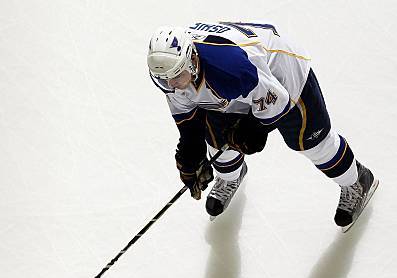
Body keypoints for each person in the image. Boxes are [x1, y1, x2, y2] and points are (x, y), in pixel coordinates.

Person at [147, 21, 378, 228]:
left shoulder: (230, 70)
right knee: (217, 140)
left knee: (313, 144)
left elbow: (277, 100)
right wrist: (190, 157)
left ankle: (357, 180)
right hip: (237, 85)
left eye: (176, 77)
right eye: (163, 79)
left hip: (283, 75)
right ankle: (230, 178)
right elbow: (188, 121)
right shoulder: (171, 72)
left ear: (192, 60)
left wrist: (254, 129)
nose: (172, 85)